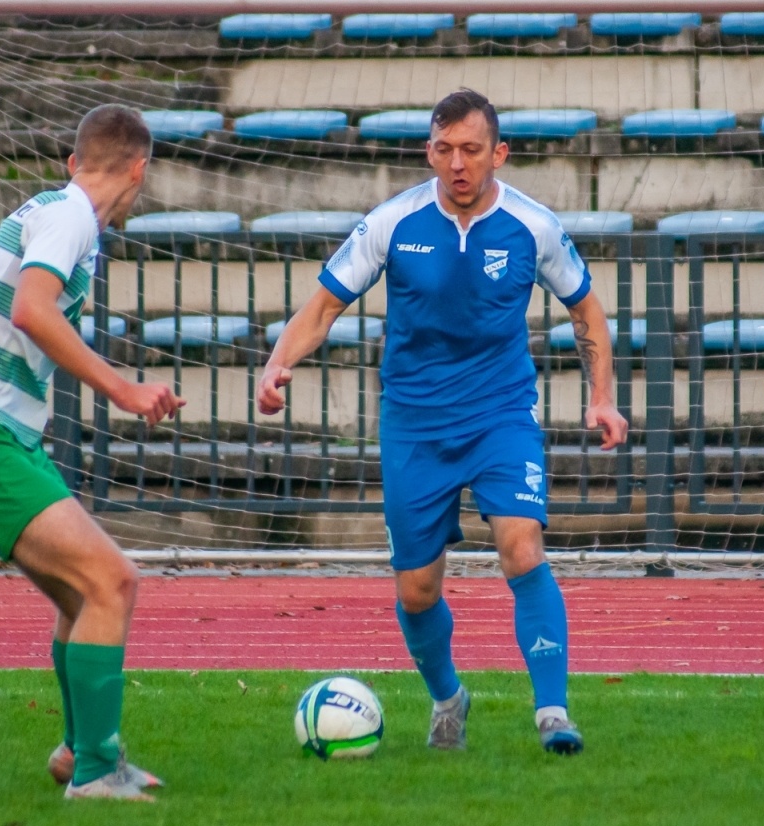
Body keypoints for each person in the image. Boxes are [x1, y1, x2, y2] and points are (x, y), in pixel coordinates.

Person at [257, 89, 629, 754]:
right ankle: (448, 697)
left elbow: (587, 313)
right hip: (414, 424)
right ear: (429, 151)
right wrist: (277, 362)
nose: (457, 163)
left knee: (521, 546)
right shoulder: (392, 223)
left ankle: (553, 712)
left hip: (501, 415)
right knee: (419, 587)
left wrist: (601, 397)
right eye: (444, 149)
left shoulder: (533, 226)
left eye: (471, 150)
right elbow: (322, 308)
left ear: (499, 154)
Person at [0, 104, 183, 801]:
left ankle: (81, 753)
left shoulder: (55, 209)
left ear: (73, 160)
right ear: (138, 170)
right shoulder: (72, 219)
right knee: (113, 582)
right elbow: (31, 309)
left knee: (81, 593)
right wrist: (122, 388)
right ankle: (96, 770)